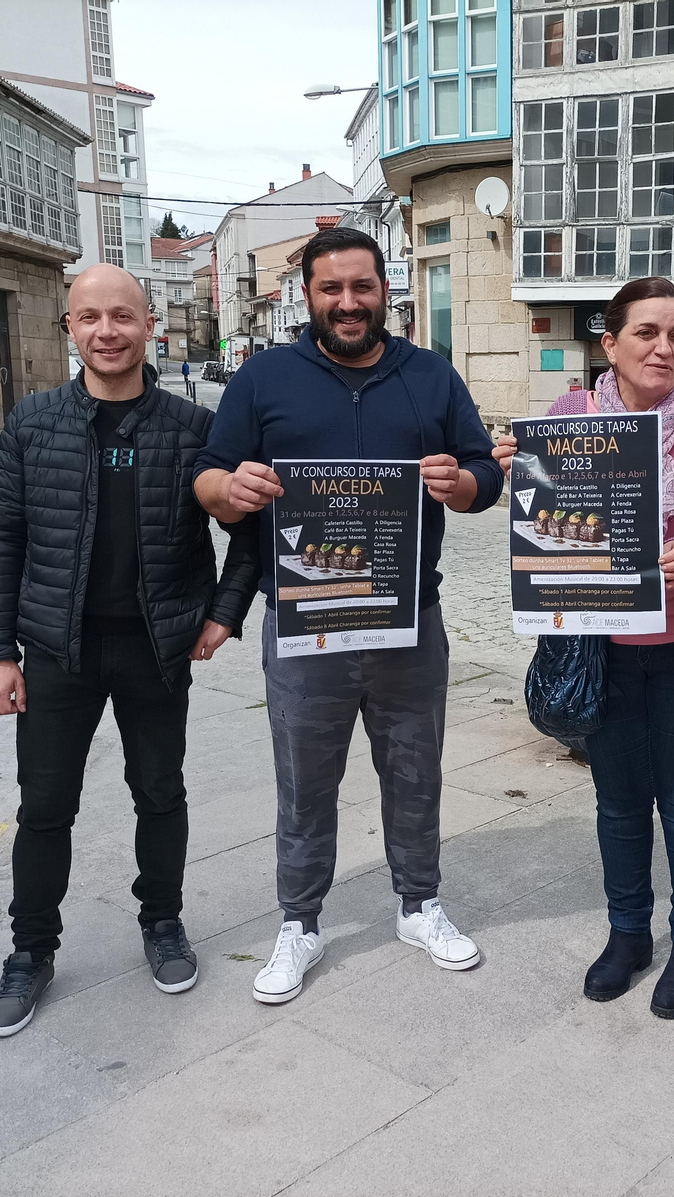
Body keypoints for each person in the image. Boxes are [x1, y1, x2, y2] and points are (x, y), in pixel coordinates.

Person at [194, 227, 503, 1005]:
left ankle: (420, 904)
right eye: (331, 288)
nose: (348, 302)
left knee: (416, 773)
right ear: (308, 295)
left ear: (385, 291)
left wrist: (462, 485)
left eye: (362, 286)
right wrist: (227, 492)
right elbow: (207, 474)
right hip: (306, 625)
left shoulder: (430, 376)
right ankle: (300, 922)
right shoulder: (264, 378)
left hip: (409, 622)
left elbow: (483, 473)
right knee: (304, 782)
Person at [0, 263, 260, 1038]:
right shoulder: (32, 424)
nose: (108, 331)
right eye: (91, 317)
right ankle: (31, 951)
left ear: (149, 326)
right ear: (69, 326)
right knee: (44, 807)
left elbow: (250, 530)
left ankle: (162, 921)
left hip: (156, 649)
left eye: (123, 316)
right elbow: (1, 538)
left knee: (159, 792)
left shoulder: (192, 429)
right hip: (56, 649)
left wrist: (224, 612)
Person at [490, 278, 674, 1019]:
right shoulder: (568, 418)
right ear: (609, 343)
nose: (665, 348)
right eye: (647, 332)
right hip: (600, 648)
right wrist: (521, 475)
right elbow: (549, 528)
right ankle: (628, 932)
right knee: (619, 800)